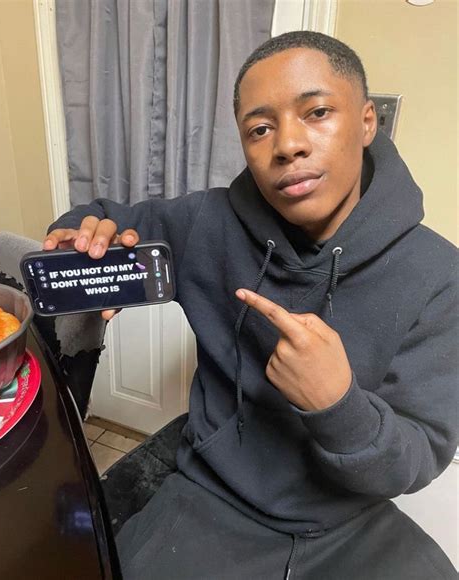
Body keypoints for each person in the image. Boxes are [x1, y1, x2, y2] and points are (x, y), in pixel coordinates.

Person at [44, 32, 457, 579]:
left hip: (347, 523)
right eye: (260, 129)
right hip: (210, 495)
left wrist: (337, 404)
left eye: (317, 112)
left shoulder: (439, 275)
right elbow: (100, 216)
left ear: (365, 122)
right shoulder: (206, 223)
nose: (287, 144)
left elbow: (420, 453)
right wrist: (81, 237)